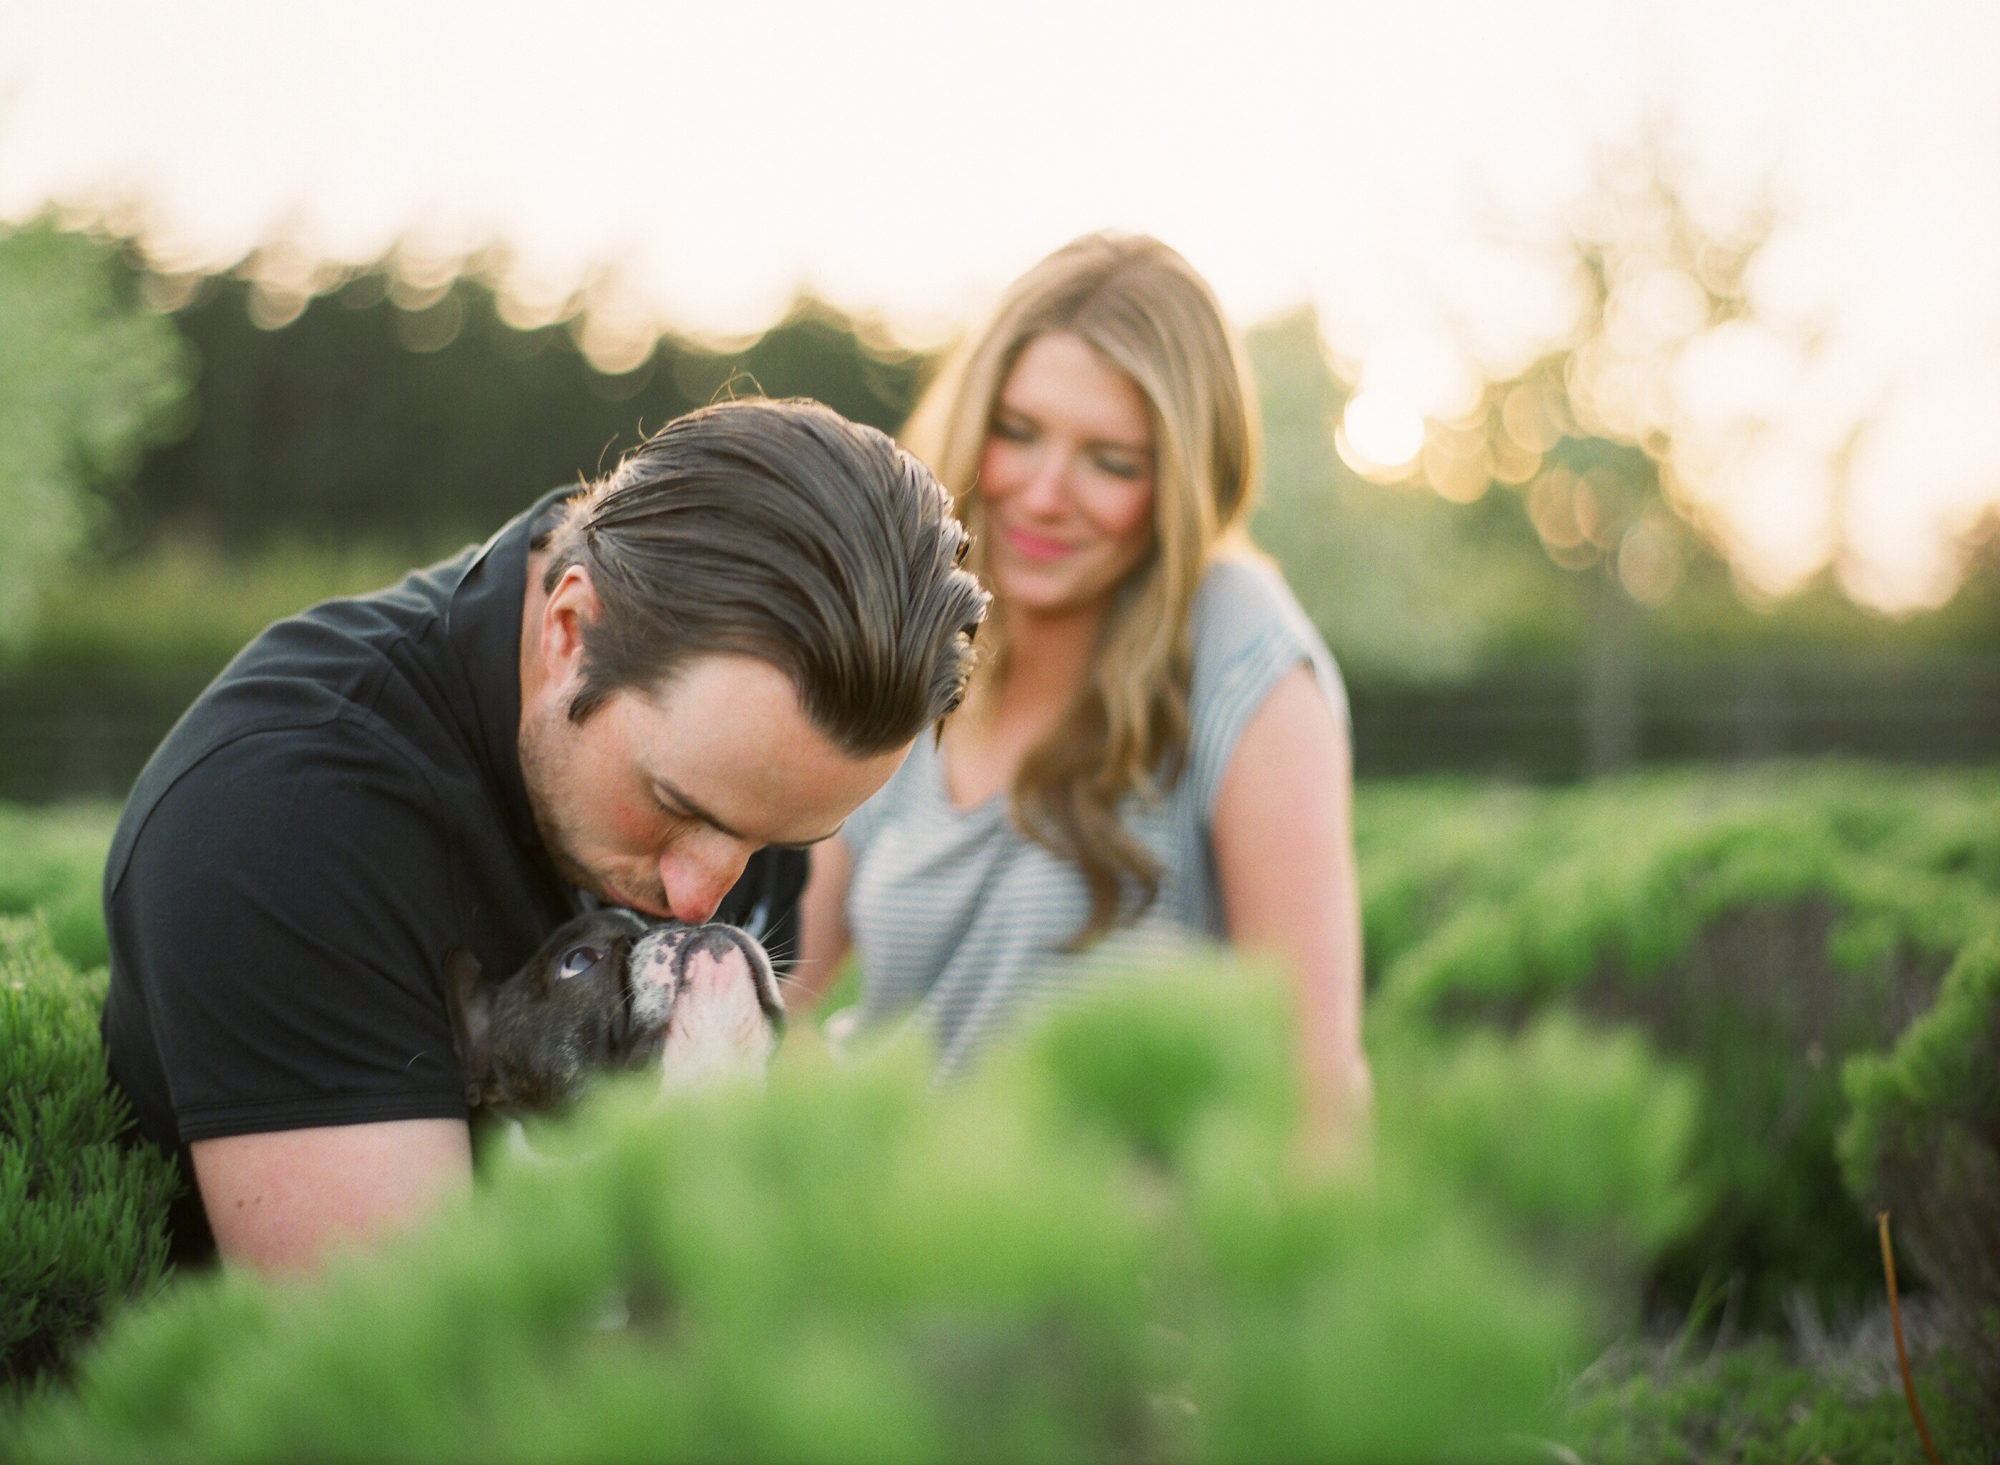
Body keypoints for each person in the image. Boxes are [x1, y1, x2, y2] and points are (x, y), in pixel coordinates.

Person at [101, 398, 988, 1274]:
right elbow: (407, 1382)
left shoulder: (756, 743)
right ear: (570, 630)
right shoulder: (284, 821)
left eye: (776, 839)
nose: (699, 899)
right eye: (677, 805)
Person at [793, 234, 1371, 1155]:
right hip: (877, 1244)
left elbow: (1316, 1094)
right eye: (1017, 432)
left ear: (1179, 481)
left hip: (1118, 1278)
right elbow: (771, 988)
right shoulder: (910, 631)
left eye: (1111, 460)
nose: (1044, 493)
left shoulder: (1241, 649)